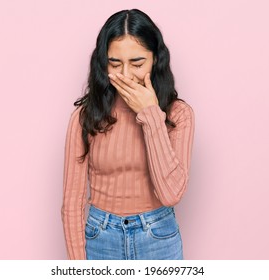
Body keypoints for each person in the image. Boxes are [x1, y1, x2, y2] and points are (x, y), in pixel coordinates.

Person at [61, 8, 195, 260]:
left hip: (158, 238)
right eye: (115, 63)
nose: (125, 75)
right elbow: (71, 203)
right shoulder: (85, 116)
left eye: (137, 63)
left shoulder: (179, 115)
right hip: (101, 238)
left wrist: (151, 114)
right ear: (103, 63)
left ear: (155, 59)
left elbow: (171, 194)